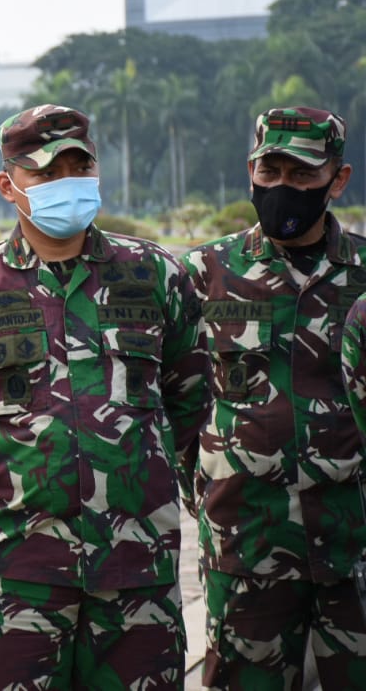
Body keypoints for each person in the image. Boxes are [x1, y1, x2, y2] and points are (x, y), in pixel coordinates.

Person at [0, 104, 207, 689]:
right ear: (8, 184)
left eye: (78, 167)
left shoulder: (156, 275)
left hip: (135, 570)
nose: (66, 183)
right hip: (15, 576)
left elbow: (189, 393)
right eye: (46, 172)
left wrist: (145, 480)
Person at [184, 106, 366, 689]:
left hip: (353, 545)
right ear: (251, 171)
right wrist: (205, 484)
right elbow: (170, 397)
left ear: (337, 180)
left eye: (303, 175)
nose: (283, 187)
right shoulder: (202, 274)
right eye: (271, 172)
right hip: (247, 549)